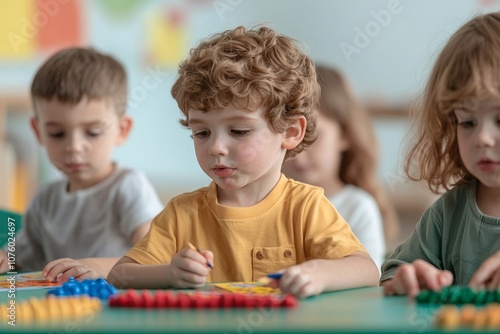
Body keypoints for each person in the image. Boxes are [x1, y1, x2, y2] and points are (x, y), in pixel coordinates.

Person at [107, 26, 379, 298]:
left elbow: (367, 271)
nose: (215, 147)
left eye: (238, 131)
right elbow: (120, 274)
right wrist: (169, 273)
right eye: (201, 133)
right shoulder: (182, 213)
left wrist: (319, 273)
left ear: (290, 132)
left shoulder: (306, 207)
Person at [0, 47, 164, 281]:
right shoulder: (46, 199)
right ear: (39, 133)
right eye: (57, 134)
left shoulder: (128, 186)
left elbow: (154, 255)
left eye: (93, 132)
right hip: (59, 308)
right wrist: (6, 257)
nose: (74, 146)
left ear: (121, 130)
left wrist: (96, 267)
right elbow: (18, 257)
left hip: (114, 308)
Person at [380, 12, 500, 297]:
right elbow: (393, 276)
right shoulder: (448, 212)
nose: (482, 138)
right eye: (467, 122)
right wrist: (409, 281)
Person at [282, 65, 399, 272]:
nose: (299, 153)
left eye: (314, 136)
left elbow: (369, 281)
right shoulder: (272, 203)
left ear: (345, 135)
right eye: (289, 135)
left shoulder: (358, 208)